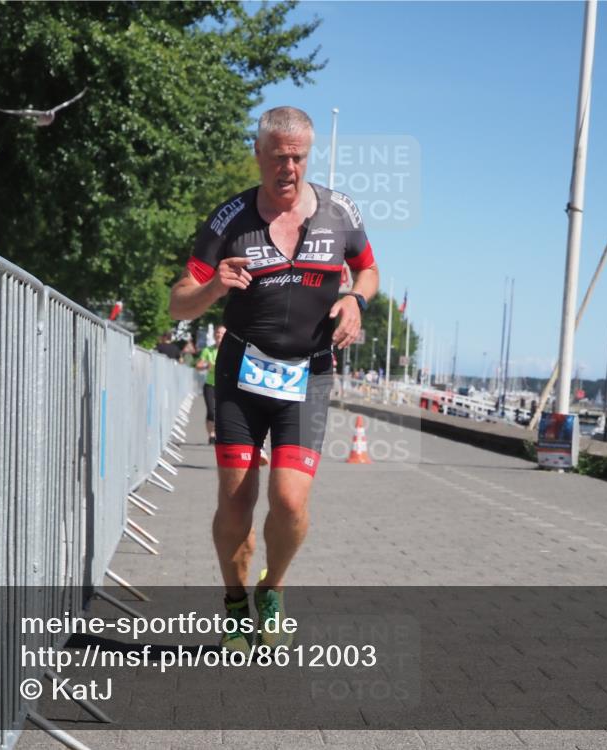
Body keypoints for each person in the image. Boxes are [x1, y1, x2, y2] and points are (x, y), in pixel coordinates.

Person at [169, 106, 379, 652]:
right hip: (241, 376)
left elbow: (369, 270)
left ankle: (272, 587)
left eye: (299, 158)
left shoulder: (339, 213)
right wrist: (214, 287)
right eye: (279, 157)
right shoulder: (229, 220)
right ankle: (235, 600)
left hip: (308, 377)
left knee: (289, 501)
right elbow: (177, 303)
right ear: (258, 153)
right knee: (236, 503)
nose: (289, 168)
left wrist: (355, 300)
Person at [196, 325, 226, 444]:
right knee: (211, 411)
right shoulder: (208, 350)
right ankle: (212, 435)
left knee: (222, 412)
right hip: (210, 384)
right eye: (218, 332)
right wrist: (206, 366)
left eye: (222, 333)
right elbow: (198, 366)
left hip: (225, 386)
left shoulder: (229, 350)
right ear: (214, 335)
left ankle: (221, 434)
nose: (219, 335)